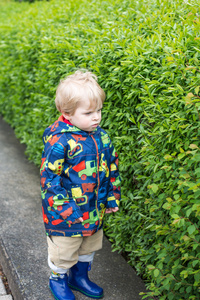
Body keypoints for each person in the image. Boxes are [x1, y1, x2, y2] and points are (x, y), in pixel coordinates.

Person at [40, 70, 121, 300]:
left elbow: (111, 167)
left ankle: (80, 277)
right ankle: (58, 279)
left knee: (89, 248)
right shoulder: (60, 142)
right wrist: (65, 209)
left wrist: (112, 197)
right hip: (64, 216)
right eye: (88, 112)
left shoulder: (102, 137)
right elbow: (49, 179)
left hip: (94, 211)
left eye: (99, 110)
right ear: (66, 114)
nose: (96, 117)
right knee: (64, 252)